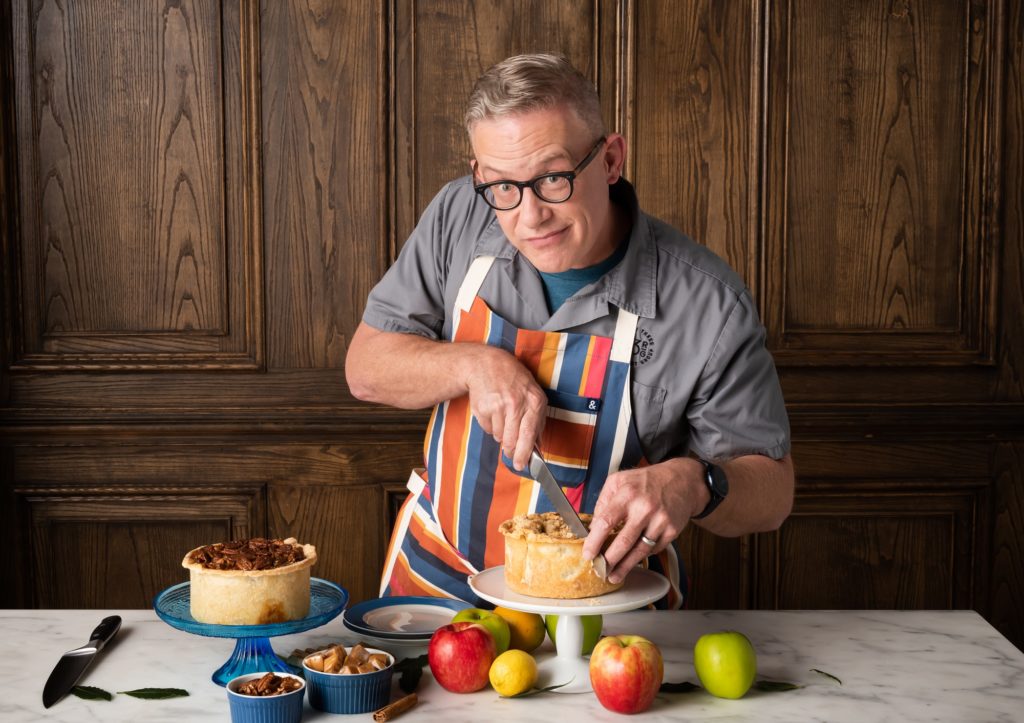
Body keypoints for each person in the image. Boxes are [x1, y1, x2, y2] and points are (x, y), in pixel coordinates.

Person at [346, 53, 794, 608]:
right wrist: (472, 363)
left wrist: (695, 482)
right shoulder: (458, 216)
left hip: (603, 605)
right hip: (438, 586)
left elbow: (774, 493)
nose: (530, 215)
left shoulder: (708, 303)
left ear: (610, 160)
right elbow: (366, 369)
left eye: (553, 179)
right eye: (502, 186)